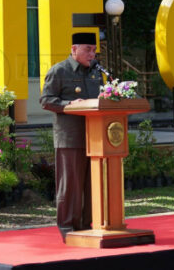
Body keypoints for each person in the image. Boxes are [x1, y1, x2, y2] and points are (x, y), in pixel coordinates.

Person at [39, 32, 103, 241]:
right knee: (71, 186)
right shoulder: (59, 71)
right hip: (70, 137)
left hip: (94, 138)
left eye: (94, 50)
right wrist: (68, 104)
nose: (92, 54)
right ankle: (68, 228)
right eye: (88, 49)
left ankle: (87, 225)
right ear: (74, 49)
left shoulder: (96, 72)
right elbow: (46, 100)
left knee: (90, 185)